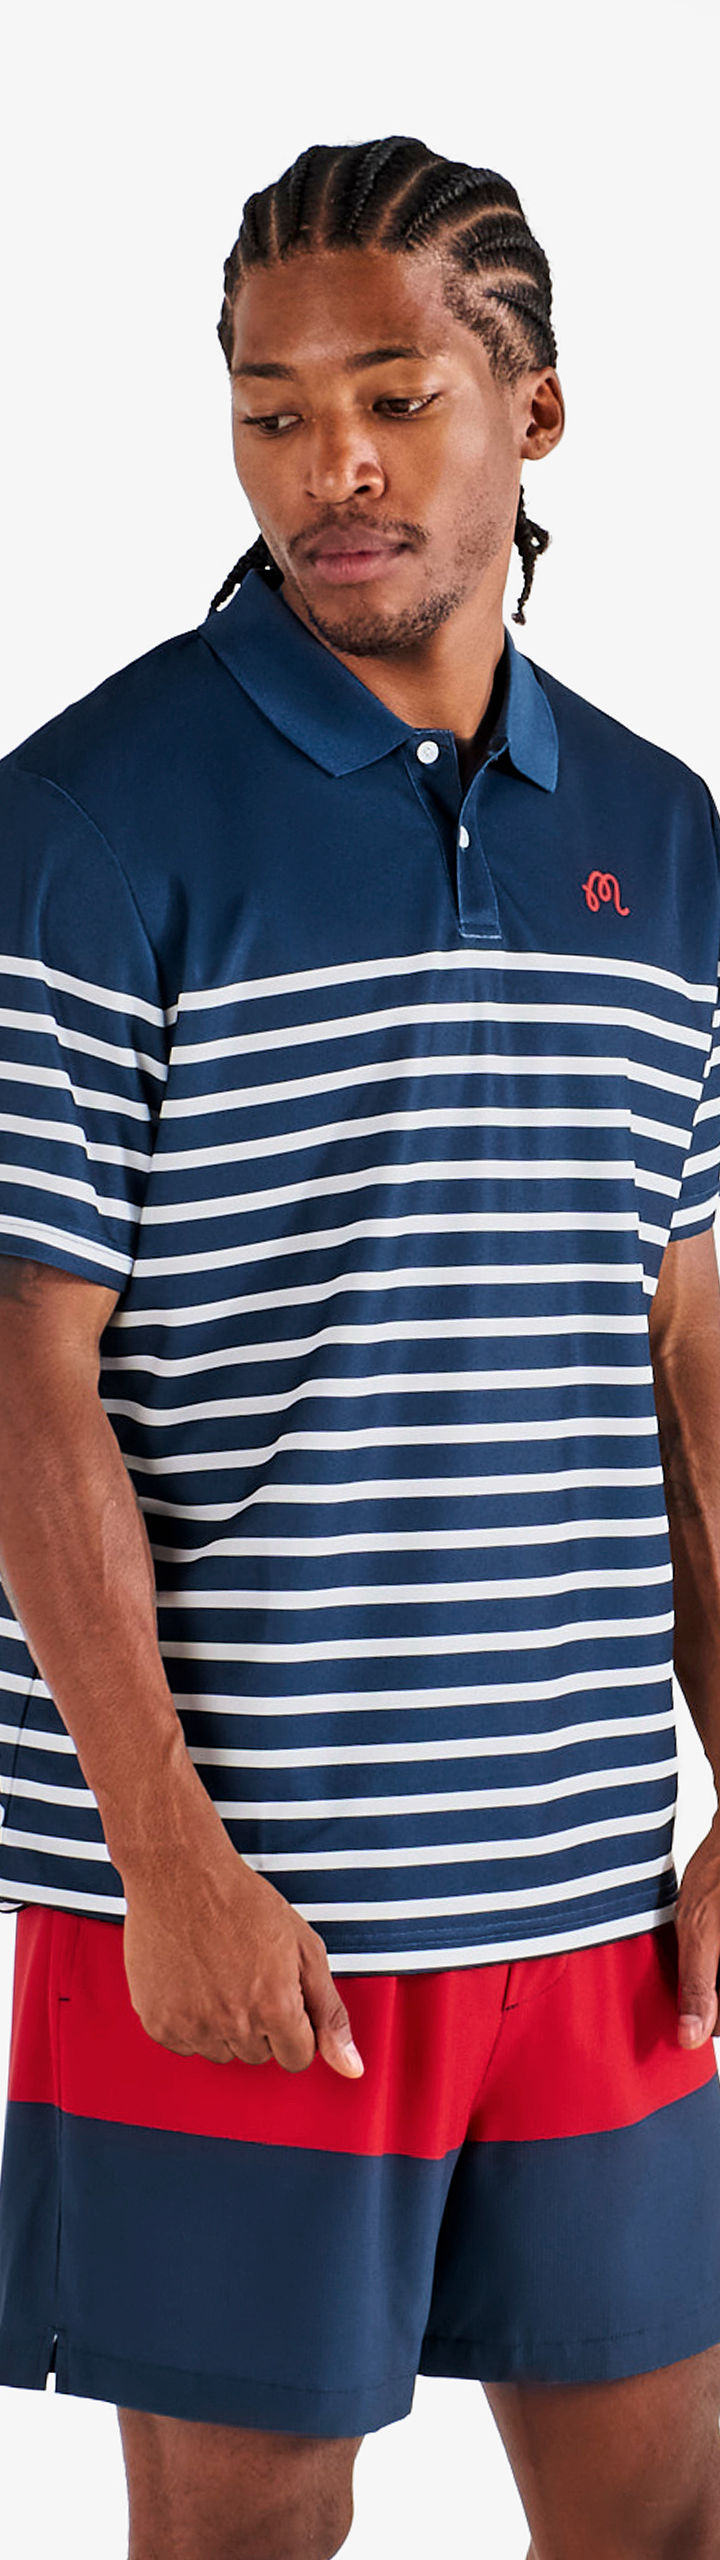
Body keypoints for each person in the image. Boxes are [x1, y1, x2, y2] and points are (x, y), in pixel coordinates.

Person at [0, 131, 719, 2560]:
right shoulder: (89, 823)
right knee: (243, 2538)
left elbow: (691, 1350)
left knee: (664, 2517)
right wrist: (167, 1857)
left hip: (593, 1887)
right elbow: (23, 1377)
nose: (336, 465)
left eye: (396, 398)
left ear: (538, 412)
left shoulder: (663, 835)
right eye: (273, 410)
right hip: (246, 1902)